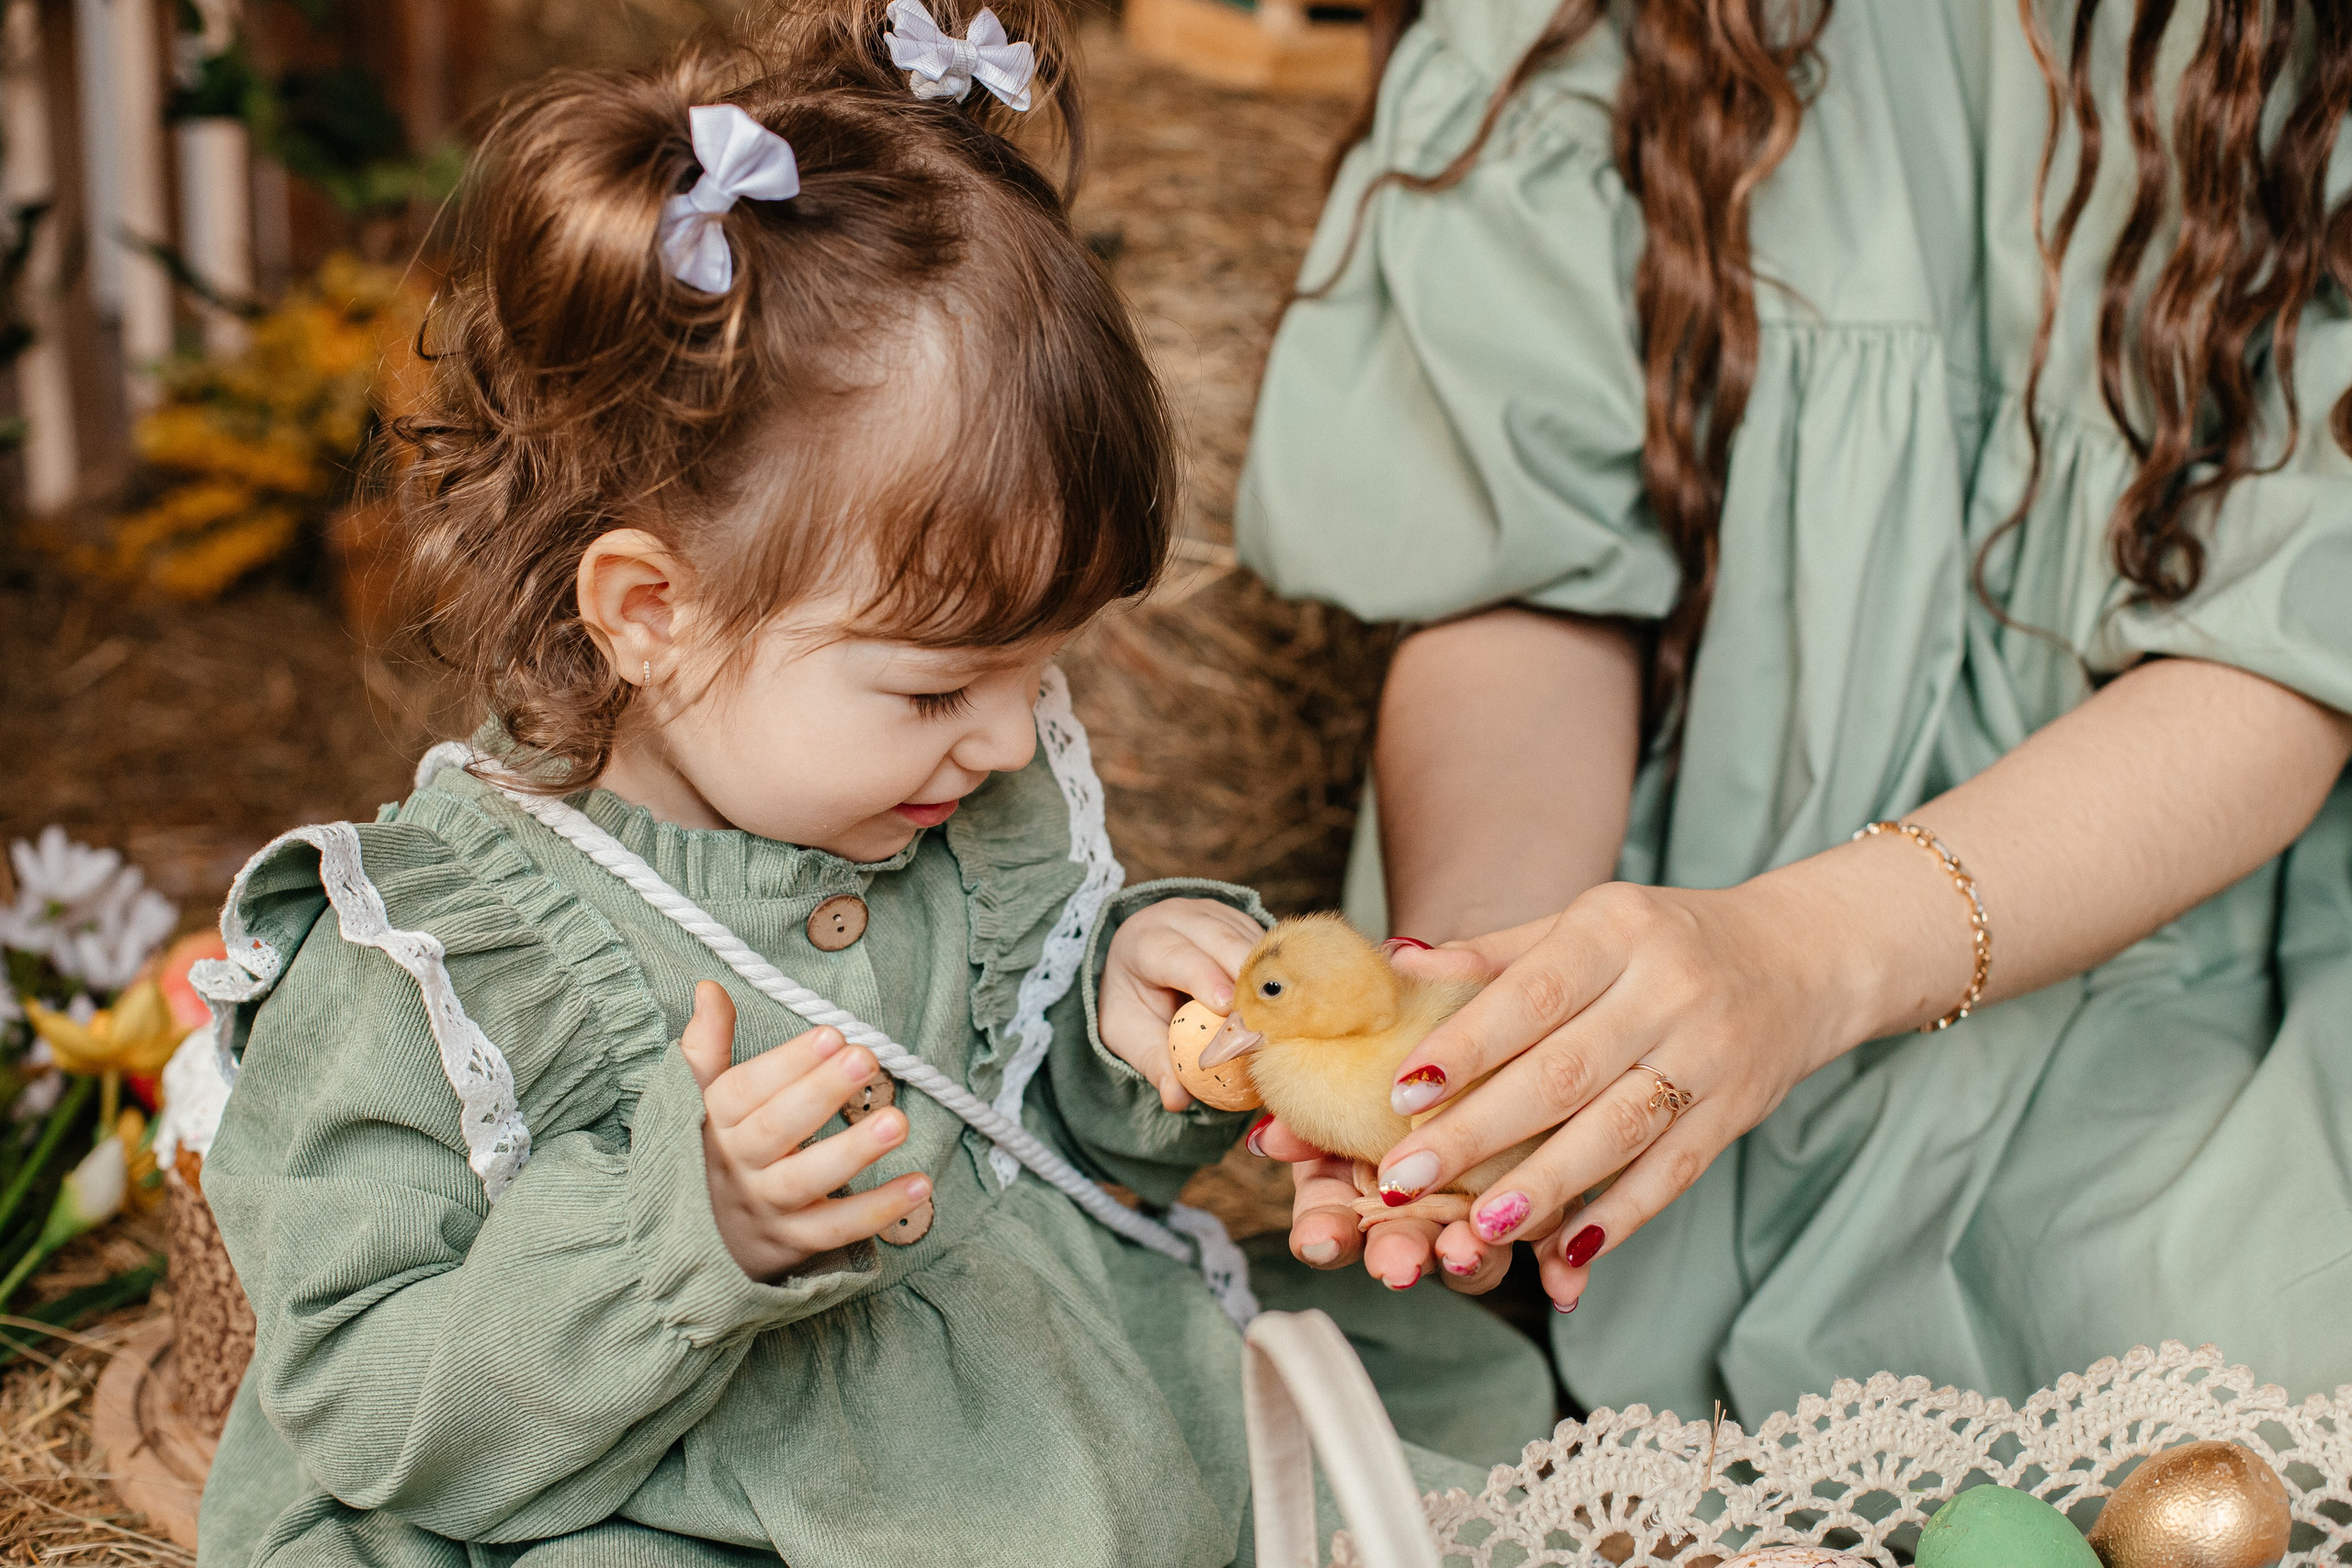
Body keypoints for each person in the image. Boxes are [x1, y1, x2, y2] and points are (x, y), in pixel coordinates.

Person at [187, 7, 1524, 1564]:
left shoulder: (944, 807)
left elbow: (1043, 1137)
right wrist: (689, 1234)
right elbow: (361, 1405)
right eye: (941, 685)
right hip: (667, 1499)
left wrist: (1121, 1014)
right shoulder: (426, 963)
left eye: (1047, 671)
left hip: (1051, 1428)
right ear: (649, 614)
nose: (1017, 742)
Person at [1237, 0, 2352, 1422]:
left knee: (2214, 1362)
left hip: (2154, 953)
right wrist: (1504, 1017)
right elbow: (1533, 586)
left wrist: (1801, 958)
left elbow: (2281, 663)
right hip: (1666, 896)